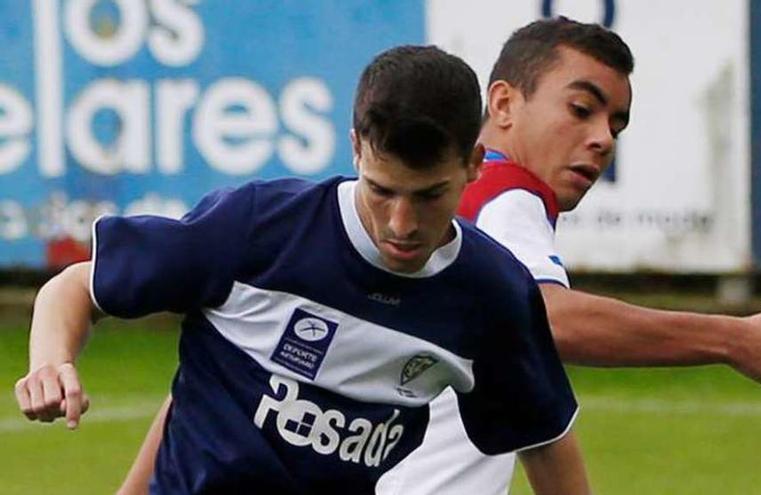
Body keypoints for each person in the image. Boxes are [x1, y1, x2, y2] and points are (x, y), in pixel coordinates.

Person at [119, 18, 761, 495]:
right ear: (501, 108)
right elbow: (549, 320)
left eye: (617, 121)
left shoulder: (424, 228)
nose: (603, 136)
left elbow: (229, 373)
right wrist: (732, 337)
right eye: (581, 108)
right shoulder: (495, 214)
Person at [13, 45, 590, 495]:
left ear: (473, 165)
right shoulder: (260, 229)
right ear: (356, 149)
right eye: (382, 191)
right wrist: (50, 363)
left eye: (429, 195)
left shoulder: (490, 294)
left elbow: (541, 435)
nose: (401, 223)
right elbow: (75, 287)